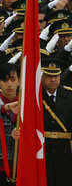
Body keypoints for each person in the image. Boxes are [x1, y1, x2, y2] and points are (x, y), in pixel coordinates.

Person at [41, 58, 72, 186]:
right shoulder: (34, 96)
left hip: (65, 153)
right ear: (42, 77)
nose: (53, 79)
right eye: (49, 76)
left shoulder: (69, 95)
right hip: (43, 152)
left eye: (56, 76)